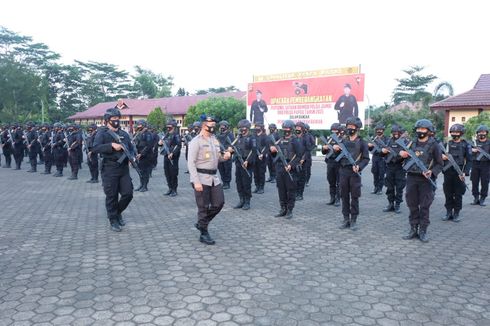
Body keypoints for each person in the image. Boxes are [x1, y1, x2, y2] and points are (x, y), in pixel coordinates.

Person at [188, 115, 232, 245]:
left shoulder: (214, 139)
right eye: (210, 125)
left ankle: (201, 223)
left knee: (219, 203)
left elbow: (218, 157)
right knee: (203, 207)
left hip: (214, 177)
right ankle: (204, 233)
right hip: (201, 178)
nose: (213, 127)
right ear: (203, 125)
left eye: (214, 125)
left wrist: (226, 156)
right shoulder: (196, 141)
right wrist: (196, 182)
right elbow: (191, 163)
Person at [399, 119, 444, 242]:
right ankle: (413, 228)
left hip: (426, 179)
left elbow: (440, 164)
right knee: (412, 204)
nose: (420, 131)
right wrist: (401, 154)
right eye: (418, 129)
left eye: (423, 129)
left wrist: (432, 172)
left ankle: (423, 230)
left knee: (424, 206)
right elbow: (401, 160)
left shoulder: (434, 145)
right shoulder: (410, 143)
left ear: (429, 131)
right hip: (412, 177)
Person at [93, 108, 134, 232]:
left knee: (128, 194)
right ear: (107, 120)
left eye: (118, 119)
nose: (116, 121)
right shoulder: (102, 133)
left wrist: (131, 157)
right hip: (109, 169)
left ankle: (117, 212)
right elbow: (95, 148)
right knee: (112, 196)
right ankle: (113, 220)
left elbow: (131, 148)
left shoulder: (124, 134)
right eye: (113, 119)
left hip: (123, 169)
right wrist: (111, 146)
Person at [333, 117, 370, 231]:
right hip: (343, 171)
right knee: (344, 196)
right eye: (348, 127)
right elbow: (336, 158)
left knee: (354, 197)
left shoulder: (362, 143)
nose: (350, 129)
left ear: (357, 129)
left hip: (354, 173)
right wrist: (335, 150)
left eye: (352, 127)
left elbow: (366, 158)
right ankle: (345, 219)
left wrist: (359, 166)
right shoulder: (343, 141)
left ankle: (353, 219)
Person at [270, 120, 304, 219]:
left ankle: (289, 210)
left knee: (290, 190)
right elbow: (275, 155)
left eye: (288, 130)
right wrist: (273, 151)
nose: (286, 132)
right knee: (281, 189)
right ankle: (283, 209)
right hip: (280, 167)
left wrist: (291, 165)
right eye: (284, 130)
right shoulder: (279, 140)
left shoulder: (295, 141)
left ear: (292, 130)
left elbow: (299, 156)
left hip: (290, 169)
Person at [441, 124, 472, 222]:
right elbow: (438, 155)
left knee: (458, 194)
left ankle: (456, 213)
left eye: (457, 132)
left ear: (461, 133)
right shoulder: (446, 144)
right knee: (448, 193)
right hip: (448, 172)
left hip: (459, 172)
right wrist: (442, 156)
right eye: (453, 132)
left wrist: (465, 172)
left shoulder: (466, 145)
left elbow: (469, 160)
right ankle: (448, 212)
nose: (454, 134)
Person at [229, 119, 256, 210]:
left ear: (248, 128)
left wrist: (248, 160)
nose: (242, 130)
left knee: (246, 183)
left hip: (247, 163)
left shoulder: (252, 138)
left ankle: (247, 201)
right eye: (241, 129)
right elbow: (234, 148)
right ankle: (241, 200)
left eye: (244, 129)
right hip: (238, 163)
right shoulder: (238, 138)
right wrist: (231, 151)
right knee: (239, 182)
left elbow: (254, 151)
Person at [381, 124, 407, 214]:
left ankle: (397, 205)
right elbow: (383, 154)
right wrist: (383, 152)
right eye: (394, 133)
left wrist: (402, 154)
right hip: (390, 167)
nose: (395, 134)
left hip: (400, 167)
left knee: (399, 187)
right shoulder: (389, 141)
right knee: (389, 186)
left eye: (397, 133)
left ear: (400, 133)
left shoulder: (405, 142)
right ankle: (390, 203)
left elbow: (408, 155)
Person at [159, 119, 181, 197]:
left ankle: (174, 190)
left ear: (174, 127)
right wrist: (160, 143)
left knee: (173, 174)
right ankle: (170, 188)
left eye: (170, 126)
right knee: (167, 173)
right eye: (167, 126)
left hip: (173, 157)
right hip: (166, 156)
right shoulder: (166, 134)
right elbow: (163, 143)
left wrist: (172, 153)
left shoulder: (176, 135)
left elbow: (178, 146)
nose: (168, 128)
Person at [322, 123, 342, 206]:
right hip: (330, 162)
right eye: (332, 131)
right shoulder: (329, 139)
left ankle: (338, 199)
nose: (334, 133)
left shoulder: (342, 139)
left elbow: (346, 152)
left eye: (335, 131)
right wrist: (324, 148)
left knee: (339, 182)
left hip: (339, 163)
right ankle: (332, 198)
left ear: (339, 131)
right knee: (331, 181)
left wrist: (338, 149)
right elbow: (324, 152)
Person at [470, 124, 490, 206]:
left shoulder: (489, 143)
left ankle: (482, 198)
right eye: (480, 132)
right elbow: (466, 153)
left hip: (486, 165)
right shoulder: (473, 143)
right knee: (474, 182)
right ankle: (476, 198)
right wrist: (471, 150)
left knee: (485, 182)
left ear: (486, 133)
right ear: (477, 133)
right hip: (475, 164)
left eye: (483, 132)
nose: (481, 134)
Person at [132, 120, 153, 191]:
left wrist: (141, 153)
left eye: (139, 125)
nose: (138, 126)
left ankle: (145, 186)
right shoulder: (138, 133)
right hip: (138, 155)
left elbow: (149, 145)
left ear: (143, 125)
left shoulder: (148, 134)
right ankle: (141, 184)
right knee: (140, 171)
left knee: (145, 171)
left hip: (146, 156)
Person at [368, 123, 388, 194]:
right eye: (378, 130)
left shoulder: (386, 139)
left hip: (382, 158)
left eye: (380, 130)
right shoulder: (374, 138)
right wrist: (369, 146)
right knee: (375, 173)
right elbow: (370, 149)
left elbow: (388, 149)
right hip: (375, 157)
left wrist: (384, 150)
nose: (379, 131)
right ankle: (375, 187)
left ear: (383, 130)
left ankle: (380, 189)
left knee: (381, 173)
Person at [217, 120, 234, 189]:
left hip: (227, 154)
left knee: (227, 169)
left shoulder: (230, 134)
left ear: (226, 127)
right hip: (220, 154)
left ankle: (227, 183)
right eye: (221, 126)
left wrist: (228, 150)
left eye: (223, 126)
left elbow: (232, 144)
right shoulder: (218, 135)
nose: (221, 127)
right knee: (221, 169)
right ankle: (224, 182)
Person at [252, 122, 268, 194]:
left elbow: (267, 147)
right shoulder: (254, 136)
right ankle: (257, 186)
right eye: (256, 126)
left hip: (262, 158)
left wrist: (262, 154)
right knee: (255, 173)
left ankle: (261, 187)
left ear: (261, 127)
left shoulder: (265, 136)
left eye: (258, 127)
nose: (256, 128)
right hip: (254, 157)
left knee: (261, 173)